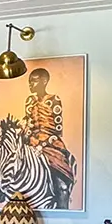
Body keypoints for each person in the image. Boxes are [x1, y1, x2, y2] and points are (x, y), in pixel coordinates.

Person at [23, 67, 78, 209]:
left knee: (62, 184)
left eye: (34, 81)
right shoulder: (29, 101)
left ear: (44, 81)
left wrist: (42, 145)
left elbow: (58, 132)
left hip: (51, 144)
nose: (30, 84)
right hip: (32, 142)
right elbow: (28, 124)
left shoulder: (54, 100)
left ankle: (62, 202)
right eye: (29, 81)